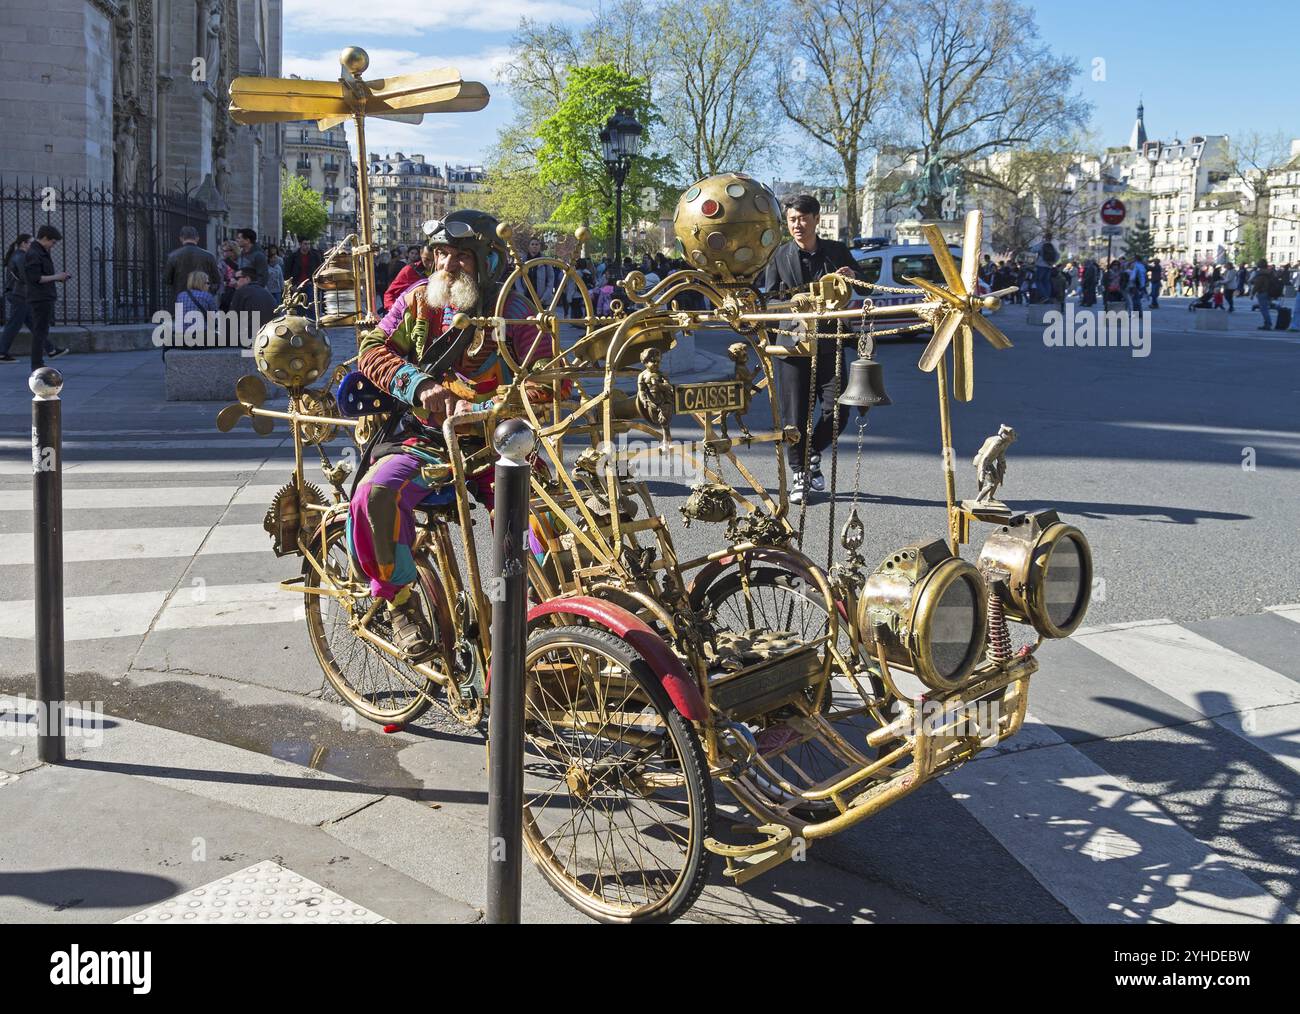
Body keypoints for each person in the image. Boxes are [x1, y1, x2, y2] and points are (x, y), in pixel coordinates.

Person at [347, 209, 563, 658]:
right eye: (441, 254)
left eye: (461, 256)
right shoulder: (416, 302)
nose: (447, 265)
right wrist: (418, 383)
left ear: (486, 262)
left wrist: (485, 408)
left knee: (542, 527)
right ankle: (399, 602)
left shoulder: (516, 314)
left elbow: (552, 382)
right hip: (427, 444)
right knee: (374, 495)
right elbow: (371, 350)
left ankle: (543, 623)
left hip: (500, 447)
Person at [760, 193, 859, 504]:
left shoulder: (837, 251)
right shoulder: (779, 256)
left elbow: (858, 285)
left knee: (840, 410)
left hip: (831, 343)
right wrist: (793, 305)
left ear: (816, 219)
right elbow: (770, 301)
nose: (797, 225)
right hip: (792, 346)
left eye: (802, 218)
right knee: (795, 417)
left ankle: (812, 451)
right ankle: (800, 473)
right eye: (792, 219)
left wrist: (852, 277)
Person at [1, 233, 63, 363]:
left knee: (34, 324)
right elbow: (27, 278)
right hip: (19, 295)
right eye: (31, 243)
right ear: (24, 244)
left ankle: (51, 349)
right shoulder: (21, 257)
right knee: (14, 324)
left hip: (21, 294)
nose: (34, 245)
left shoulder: (19, 256)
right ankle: (1, 352)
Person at [22, 225, 71, 370]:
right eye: (53, 242)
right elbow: (35, 278)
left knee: (41, 331)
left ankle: (38, 363)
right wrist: (57, 276)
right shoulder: (35, 253)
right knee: (40, 332)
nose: (53, 245)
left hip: (44, 296)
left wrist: (57, 278)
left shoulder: (41, 252)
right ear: (45, 238)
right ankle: (37, 364)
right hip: (40, 297)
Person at [162, 225, 220, 299]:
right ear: (197, 238)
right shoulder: (209, 256)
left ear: (181, 238)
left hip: (180, 297)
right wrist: (210, 292)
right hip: (203, 297)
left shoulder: (173, 256)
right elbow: (217, 280)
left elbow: (166, 279)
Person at [383, 241, 435, 310]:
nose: (431, 264)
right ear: (421, 254)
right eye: (427, 260)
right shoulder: (409, 270)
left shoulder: (446, 272)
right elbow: (389, 295)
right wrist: (396, 313)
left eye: (434, 260)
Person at [514, 236, 561, 307]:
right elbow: (517, 279)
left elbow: (550, 280)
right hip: (526, 298)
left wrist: (545, 296)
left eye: (536, 244)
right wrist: (521, 294)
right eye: (532, 244)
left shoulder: (546, 261)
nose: (534, 246)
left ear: (539, 247)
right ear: (529, 247)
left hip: (541, 299)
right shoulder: (522, 261)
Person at [227, 267, 278, 331]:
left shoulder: (241, 292)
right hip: (271, 332)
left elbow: (231, 320)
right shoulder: (265, 291)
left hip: (253, 336)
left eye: (237, 278)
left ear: (247, 279)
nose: (233, 281)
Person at [284, 238, 323, 311]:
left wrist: (317, 283)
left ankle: (311, 321)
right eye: (305, 244)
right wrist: (291, 285)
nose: (307, 246)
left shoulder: (315, 256)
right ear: (300, 244)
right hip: (297, 285)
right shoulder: (293, 256)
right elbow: (287, 272)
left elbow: (319, 269)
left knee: (311, 306)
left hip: (310, 284)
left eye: (309, 244)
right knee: (298, 306)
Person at [1032, 231, 1058, 303]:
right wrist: (1052, 262)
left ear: (1044, 237)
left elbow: (1033, 249)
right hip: (1049, 266)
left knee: (1038, 281)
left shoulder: (1042, 244)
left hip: (1040, 265)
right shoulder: (1052, 245)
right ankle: (1048, 296)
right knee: (1046, 281)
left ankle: (1044, 296)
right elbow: (1057, 255)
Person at [1251, 259, 1275, 330]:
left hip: (1262, 292)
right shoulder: (1270, 272)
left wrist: (1252, 293)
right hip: (1269, 292)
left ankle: (1268, 324)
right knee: (1266, 308)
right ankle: (1268, 323)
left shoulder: (1261, 273)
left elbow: (1257, 284)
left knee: (1264, 309)